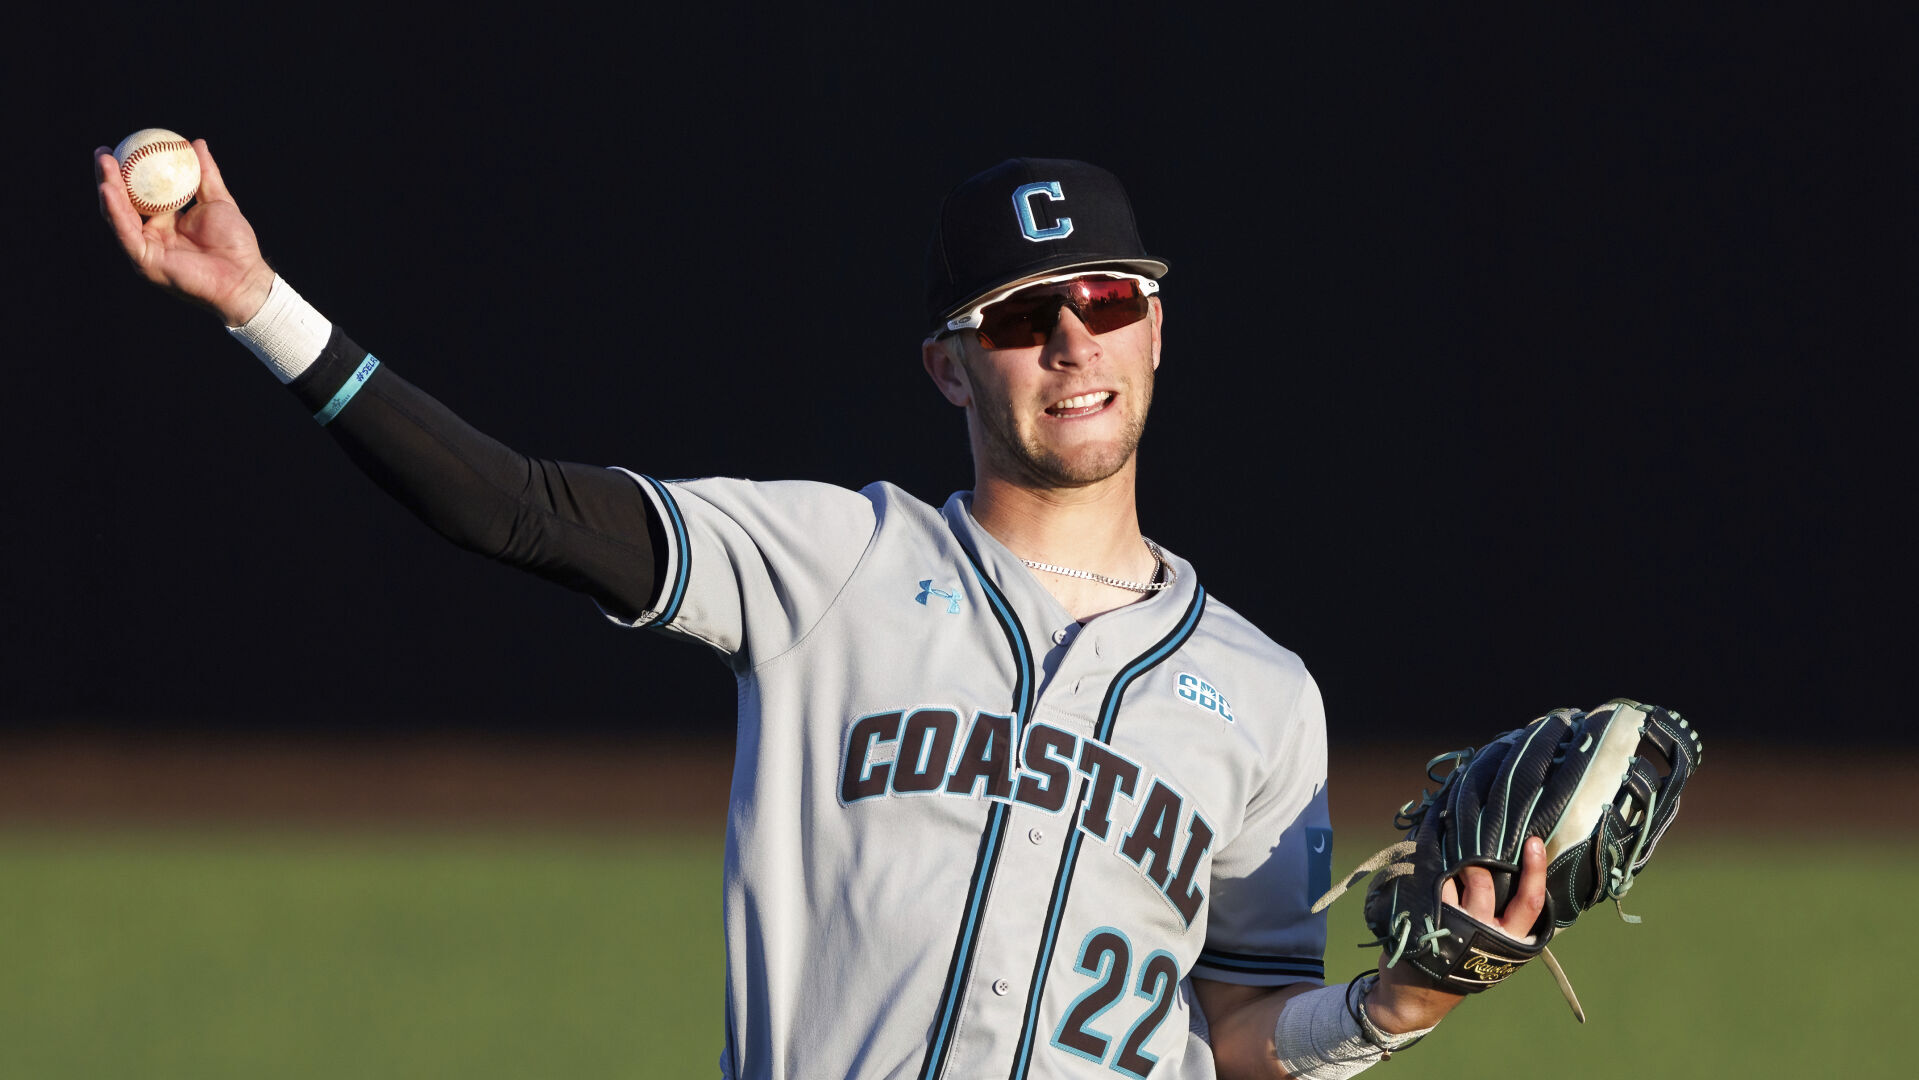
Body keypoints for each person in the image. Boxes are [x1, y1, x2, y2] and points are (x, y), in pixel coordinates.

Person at [95, 143, 1548, 1080]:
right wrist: (260, 304)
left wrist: (1389, 1011)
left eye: (1103, 298)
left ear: (1155, 326)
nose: (1068, 342)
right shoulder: (826, 562)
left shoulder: (1267, 696)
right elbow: (512, 504)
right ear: (946, 366)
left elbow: (1238, 1033)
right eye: (1016, 317)